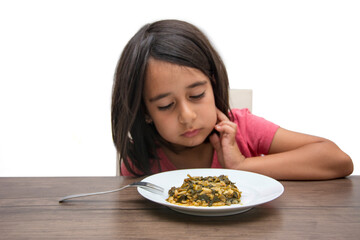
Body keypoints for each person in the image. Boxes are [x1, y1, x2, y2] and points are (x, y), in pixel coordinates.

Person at [111, 19, 353, 180]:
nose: (187, 116)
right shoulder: (141, 158)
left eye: (196, 95)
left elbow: (337, 160)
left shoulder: (243, 129)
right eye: (166, 106)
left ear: (213, 83)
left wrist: (242, 166)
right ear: (145, 111)